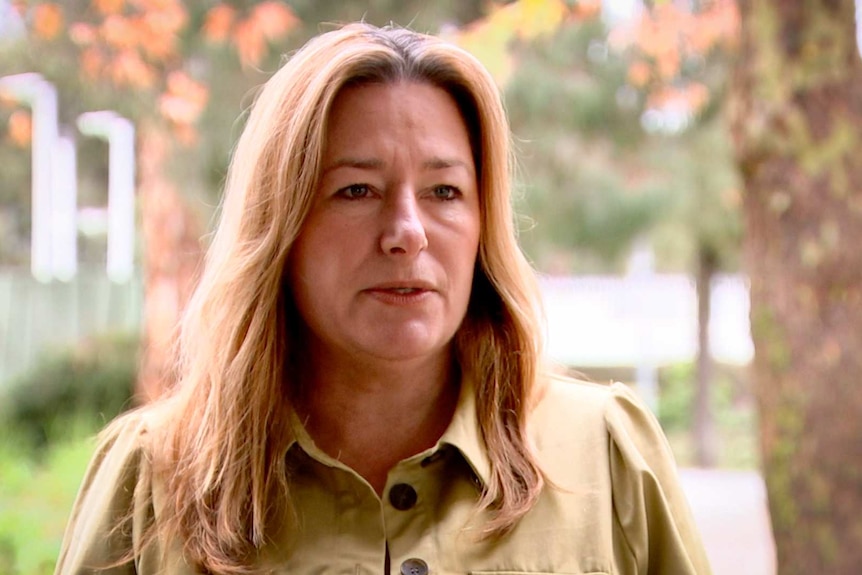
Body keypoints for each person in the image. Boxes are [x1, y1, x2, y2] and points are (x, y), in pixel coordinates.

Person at [55, 22, 712, 575]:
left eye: (444, 191)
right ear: (281, 226)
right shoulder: (151, 478)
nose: (408, 232)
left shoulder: (604, 453)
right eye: (356, 190)